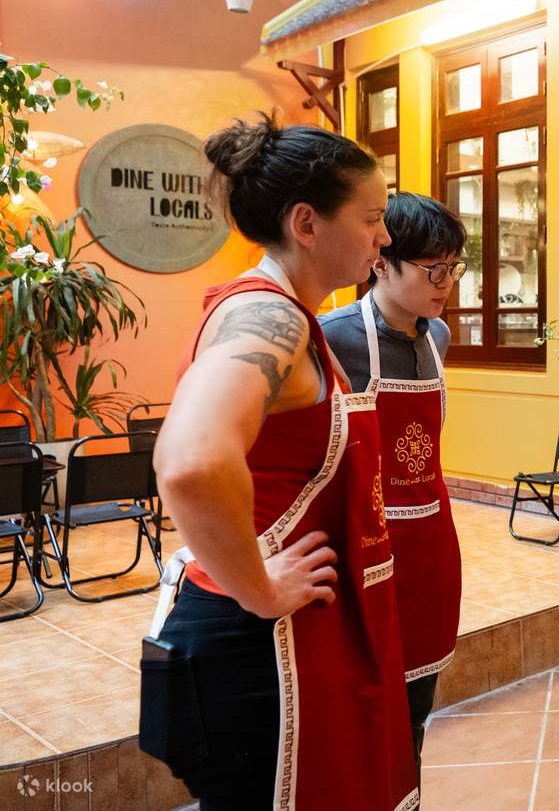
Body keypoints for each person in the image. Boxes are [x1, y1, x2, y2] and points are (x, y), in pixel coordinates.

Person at [143, 115, 418, 811]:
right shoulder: (272, 319)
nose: (384, 238)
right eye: (373, 218)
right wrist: (260, 588)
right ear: (306, 223)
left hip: (261, 639)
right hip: (253, 647)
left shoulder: (283, 312)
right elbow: (189, 462)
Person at [319, 192, 465, 779]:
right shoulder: (332, 337)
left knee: (416, 709)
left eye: (453, 268)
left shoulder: (439, 339)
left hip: (429, 545)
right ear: (382, 261)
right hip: (362, 547)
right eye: (433, 269)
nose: (446, 282)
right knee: (364, 707)